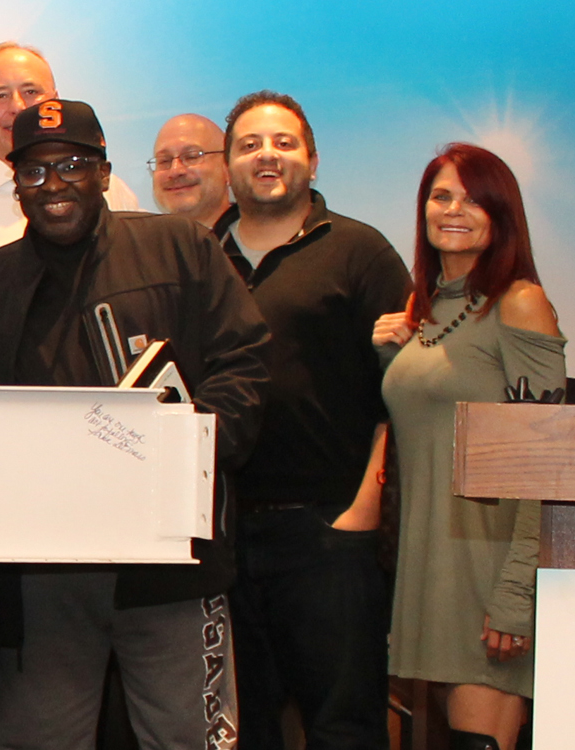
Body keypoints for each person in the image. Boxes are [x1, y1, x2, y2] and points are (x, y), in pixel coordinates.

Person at [0, 99, 270, 750]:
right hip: (43, 576)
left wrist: (192, 453)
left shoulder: (178, 246)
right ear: (14, 185)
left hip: (170, 560)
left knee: (190, 739)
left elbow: (246, 363)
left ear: (103, 171)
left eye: (71, 165)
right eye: (34, 172)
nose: (54, 185)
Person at [208, 91, 408, 750]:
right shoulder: (197, 258)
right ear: (229, 166)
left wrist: (365, 505)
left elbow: (400, 393)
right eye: (250, 145)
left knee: (342, 727)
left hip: (329, 532)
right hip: (223, 537)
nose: (267, 155)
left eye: (284, 143)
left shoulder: (360, 251)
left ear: (313, 161)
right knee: (243, 729)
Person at [373, 143, 562, 750]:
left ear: (502, 215)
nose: (455, 209)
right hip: (432, 557)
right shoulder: (425, 314)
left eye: (476, 198)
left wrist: (516, 592)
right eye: (442, 195)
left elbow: (550, 464)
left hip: (491, 562)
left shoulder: (519, 301)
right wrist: (391, 352)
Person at [0, 42, 140, 248]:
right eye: (1, 95)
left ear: (56, 101)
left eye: (30, 91)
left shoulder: (109, 188)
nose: (18, 107)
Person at [150, 114, 231, 229]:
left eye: (191, 157)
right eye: (165, 161)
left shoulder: (257, 242)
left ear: (227, 165)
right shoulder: (141, 245)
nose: (175, 171)